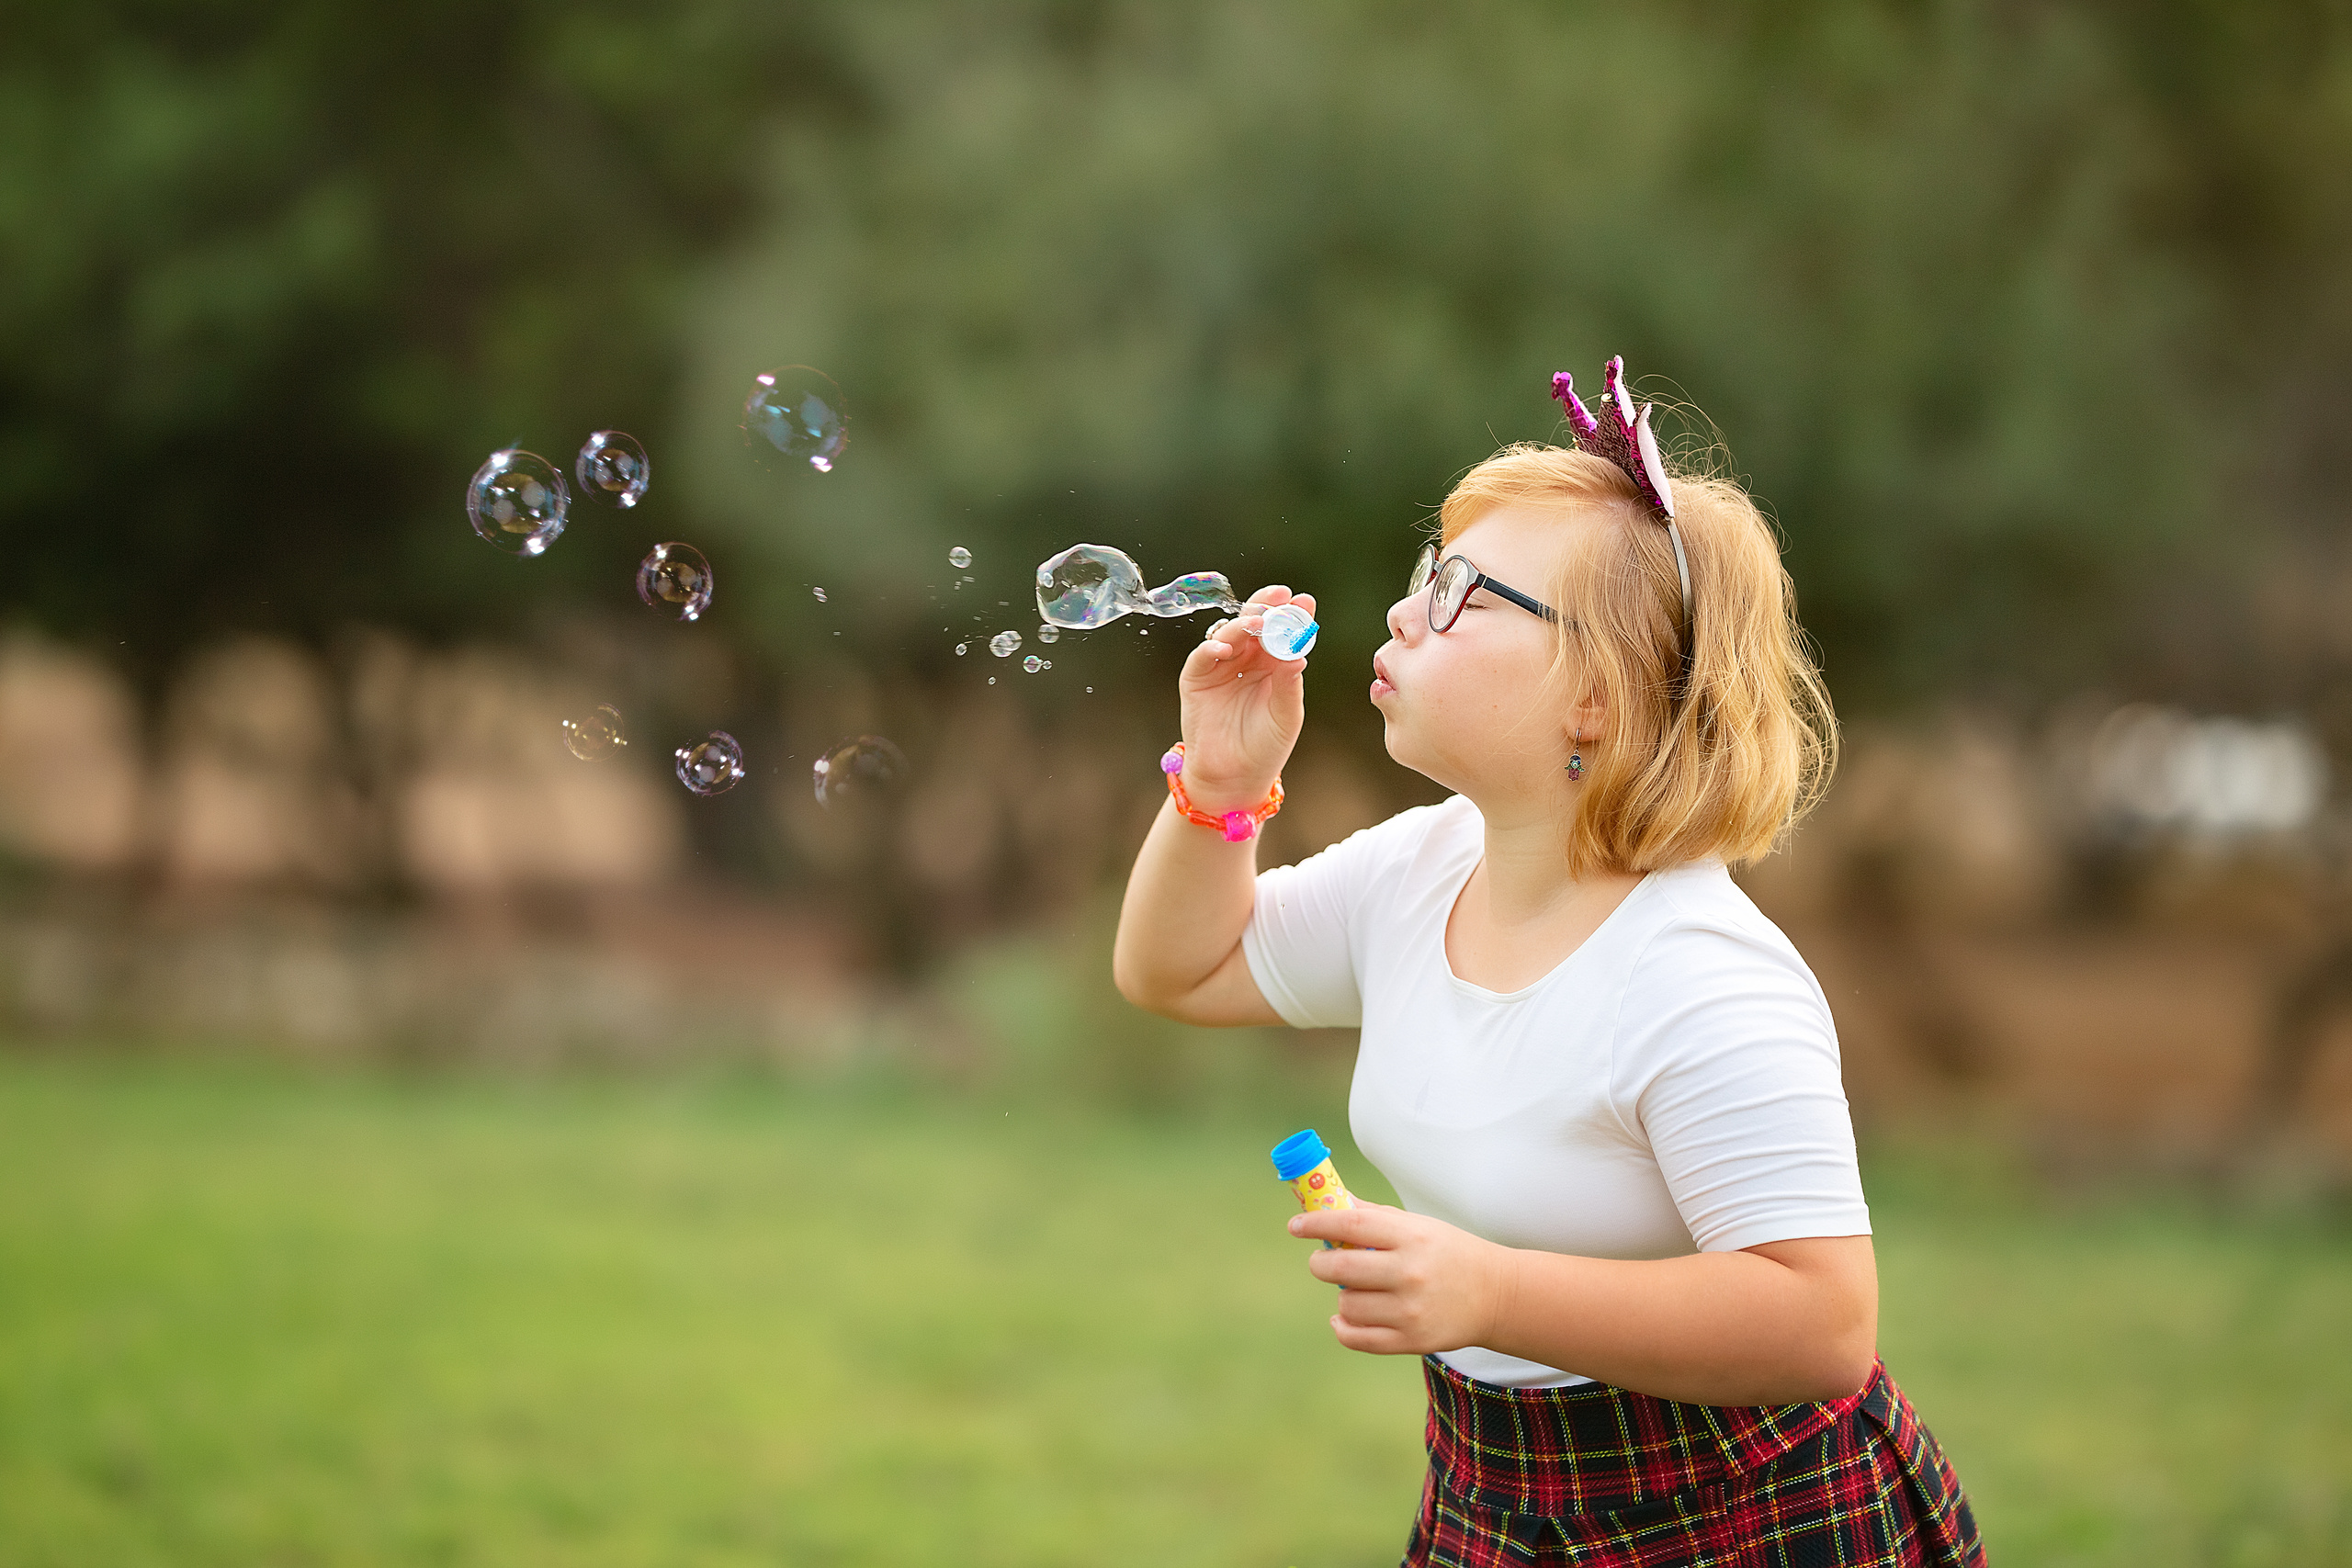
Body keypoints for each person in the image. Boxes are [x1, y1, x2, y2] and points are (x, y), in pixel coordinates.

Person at [1113, 361, 1985, 1567]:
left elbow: (1824, 1321)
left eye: (1463, 593)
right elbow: (1181, 970)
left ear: (1598, 696)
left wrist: (1493, 1293)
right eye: (1426, 578)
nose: (1405, 614)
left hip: (1744, 1518)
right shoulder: (1417, 872)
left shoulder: (1701, 975)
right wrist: (1218, 786)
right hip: (1499, 1498)